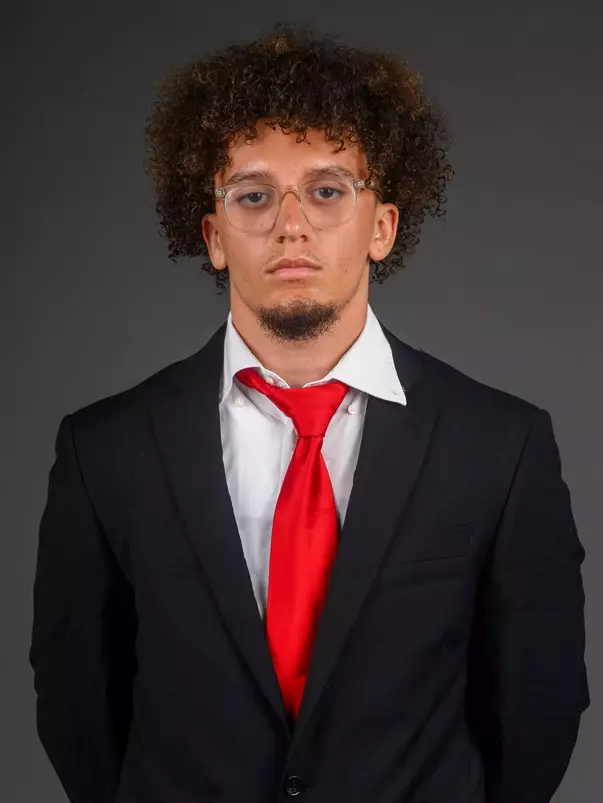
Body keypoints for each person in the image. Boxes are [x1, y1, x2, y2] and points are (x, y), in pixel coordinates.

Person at [28, 21, 589, 803]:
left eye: (327, 189)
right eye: (252, 194)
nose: (289, 223)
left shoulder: (500, 444)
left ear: (382, 225)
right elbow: (78, 707)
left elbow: (539, 703)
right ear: (214, 235)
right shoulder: (105, 450)